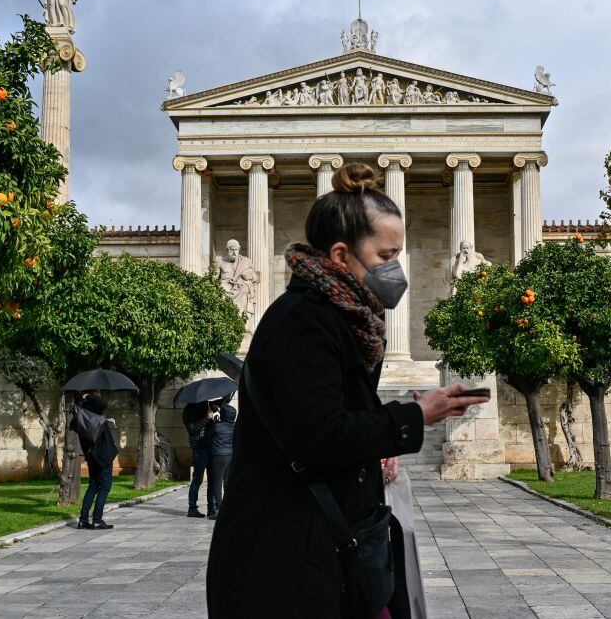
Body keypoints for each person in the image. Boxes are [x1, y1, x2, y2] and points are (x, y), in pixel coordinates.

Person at [207, 163, 489, 619]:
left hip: (326, 555)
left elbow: (328, 418)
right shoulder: (303, 321)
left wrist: (378, 442)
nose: (397, 270)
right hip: (285, 567)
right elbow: (320, 437)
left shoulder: (344, 319)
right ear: (340, 257)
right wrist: (413, 419)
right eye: (385, 255)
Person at [73, 391, 119, 530]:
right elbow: (103, 404)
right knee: (105, 487)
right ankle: (97, 520)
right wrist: (87, 396)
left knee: (93, 485)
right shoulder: (93, 414)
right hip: (103, 456)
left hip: (91, 455)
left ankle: (83, 520)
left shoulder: (79, 416)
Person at [183, 399, 218, 518]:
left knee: (213, 479)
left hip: (211, 447)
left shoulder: (207, 406)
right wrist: (206, 419)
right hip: (199, 448)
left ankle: (211, 509)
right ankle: (192, 508)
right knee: (197, 479)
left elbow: (220, 403)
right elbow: (192, 430)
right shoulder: (189, 411)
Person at [207, 398, 237, 520]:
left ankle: (219, 510)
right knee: (227, 483)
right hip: (231, 455)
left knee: (217, 483)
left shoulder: (217, 426)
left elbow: (209, 437)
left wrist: (212, 421)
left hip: (219, 456)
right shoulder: (235, 426)